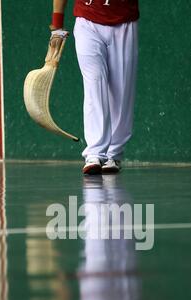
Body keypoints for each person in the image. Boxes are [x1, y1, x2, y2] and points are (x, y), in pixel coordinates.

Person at [50, 0, 139, 175]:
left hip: (124, 24)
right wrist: (57, 25)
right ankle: (94, 153)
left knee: (121, 94)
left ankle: (113, 154)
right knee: (94, 83)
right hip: (87, 23)